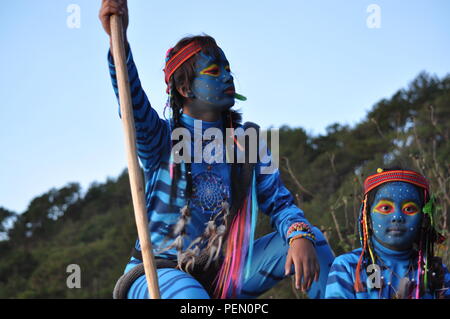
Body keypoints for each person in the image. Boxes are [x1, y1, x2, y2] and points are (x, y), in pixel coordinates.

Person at [100, 0, 334, 299]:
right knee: (191, 299)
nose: (227, 76)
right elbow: (131, 101)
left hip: (225, 271)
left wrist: (298, 234)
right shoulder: (160, 138)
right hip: (159, 272)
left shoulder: (246, 143)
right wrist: (117, 41)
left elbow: (279, 204)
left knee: (313, 239)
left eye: (227, 68)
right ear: (185, 89)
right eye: (214, 71)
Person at [325, 168, 450, 299]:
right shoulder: (348, 266)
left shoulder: (436, 271)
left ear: (424, 219)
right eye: (385, 208)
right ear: (367, 216)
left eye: (409, 209)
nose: (397, 217)